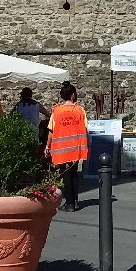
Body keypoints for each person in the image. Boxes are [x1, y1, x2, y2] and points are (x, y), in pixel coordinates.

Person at [45, 83, 89, 212]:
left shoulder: (56, 111)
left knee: (66, 175)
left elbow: (51, 131)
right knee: (74, 173)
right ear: (73, 95)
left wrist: (47, 146)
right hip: (76, 148)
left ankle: (69, 203)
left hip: (61, 149)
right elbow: (85, 128)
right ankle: (75, 201)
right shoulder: (80, 110)